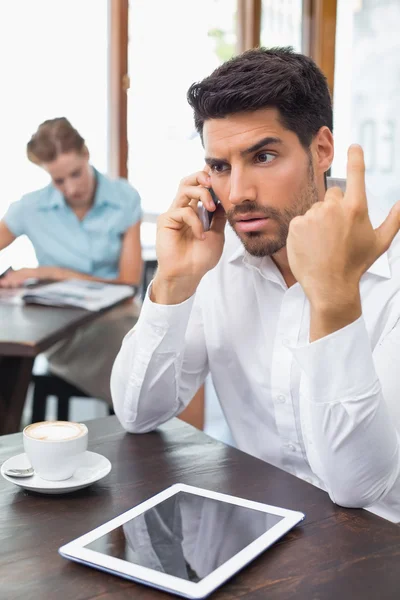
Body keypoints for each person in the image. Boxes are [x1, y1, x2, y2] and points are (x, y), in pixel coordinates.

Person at [111, 48, 400, 523]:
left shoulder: (388, 276)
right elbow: (137, 414)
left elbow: (358, 486)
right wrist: (174, 281)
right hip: (256, 537)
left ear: (321, 150)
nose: (239, 192)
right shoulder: (218, 259)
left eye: (263, 156)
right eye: (220, 167)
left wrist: (334, 300)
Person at [0, 117, 142, 403]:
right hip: (58, 332)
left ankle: (146, 415)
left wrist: (55, 272)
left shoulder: (124, 198)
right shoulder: (31, 207)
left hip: (116, 321)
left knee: (143, 356)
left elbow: (128, 284)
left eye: (76, 174)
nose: (70, 188)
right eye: (58, 180)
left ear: (86, 154)